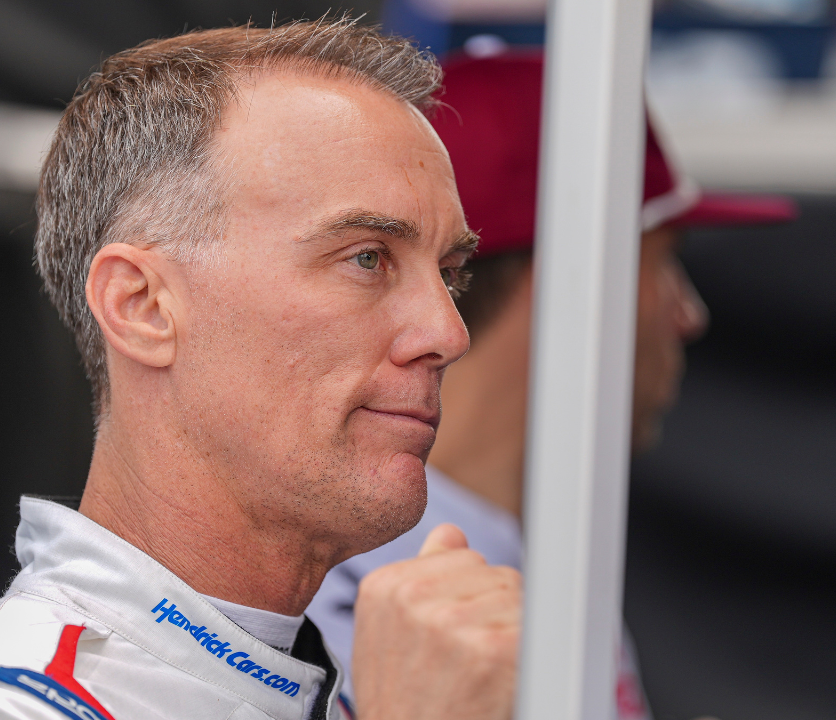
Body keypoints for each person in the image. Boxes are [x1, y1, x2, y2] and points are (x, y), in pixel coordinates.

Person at [0, 19, 522, 720]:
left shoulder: (378, 677)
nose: (447, 332)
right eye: (366, 257)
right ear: (141, 306)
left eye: (450, 274)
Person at [306, 50, 797, 720]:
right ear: (579, 279)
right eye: (663, 264)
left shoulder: (535, 554)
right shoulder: (337, 595)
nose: (688, 314)